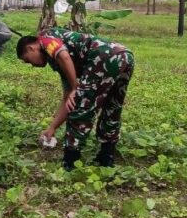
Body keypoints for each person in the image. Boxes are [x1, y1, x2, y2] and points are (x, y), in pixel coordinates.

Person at [17, 28, 135, 170]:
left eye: (27, 60)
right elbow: (68, 98)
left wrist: (75, 88)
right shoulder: (60, 62)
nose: (32, 65)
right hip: (124, 56)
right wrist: (52, 128)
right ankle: (106, 156)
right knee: (112, 106)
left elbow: (64, 56)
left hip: (102, 57)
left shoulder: (45, 38)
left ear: (31, 48)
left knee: (81, 107)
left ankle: (70, 162)